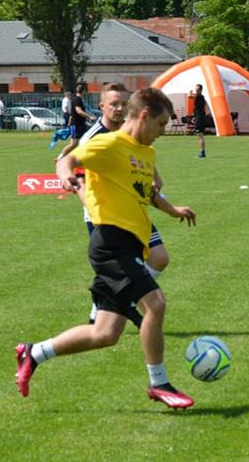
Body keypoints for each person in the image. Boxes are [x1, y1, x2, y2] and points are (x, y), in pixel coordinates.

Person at [15, 87, 197, 409]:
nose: (162, 132)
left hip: (130, 245)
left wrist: (173, 210)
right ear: (144, 116)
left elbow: (147, 193)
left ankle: (34, 352)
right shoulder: (109, 144)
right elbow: (68, 159)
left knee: (106, 333)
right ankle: (159, 383)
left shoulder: (146, 153)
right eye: (160, 124)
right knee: (155, 304)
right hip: (111, 243)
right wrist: (66, 176)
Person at [74, 83, 171, 326]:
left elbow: (136, 154)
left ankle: (114, 306)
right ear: (102, 106)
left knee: (159, 258)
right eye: (114, 104)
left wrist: (154, 177)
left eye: (123, 104)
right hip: (106, 216)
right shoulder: (94, 138)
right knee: (118, 271)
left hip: (133, 210)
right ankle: (114, 308)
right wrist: (93, 209)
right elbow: (78, 178)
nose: (119, 109)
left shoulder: (131, 131)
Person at [56, 85, 91, 161]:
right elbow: (78, 111)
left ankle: (81, 159)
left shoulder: (76, 99)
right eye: (85, 91)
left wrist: (69, 121)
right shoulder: (77, 99)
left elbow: (72, 113)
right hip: (76, 125)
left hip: (80, 124)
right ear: (83, 91)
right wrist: (89, 117)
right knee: (73, 144)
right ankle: (60, 158)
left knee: (85, 141)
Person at [192, 83, 208, 158]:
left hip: (200, 118)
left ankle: (202, 152)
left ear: (200, 90)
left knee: (200, 135)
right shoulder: (200, 97)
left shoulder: (199, 97)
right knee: (199, 136)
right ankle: (202, 152)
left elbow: (191, 96)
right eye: (195, 89)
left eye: (197, 90)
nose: (196, 91)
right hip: (199, 117)